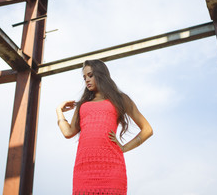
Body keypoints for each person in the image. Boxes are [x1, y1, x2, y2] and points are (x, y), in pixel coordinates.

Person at [56, 59, 153, 195]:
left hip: (112, 168)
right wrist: (59, 111)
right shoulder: (83, 105)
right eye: (84, 78)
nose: (87, 80)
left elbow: (147, 129)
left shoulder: (120, 99)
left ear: (101, 75)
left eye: (90, 75)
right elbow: (68, 132)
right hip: (83, 170)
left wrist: (124, 148)